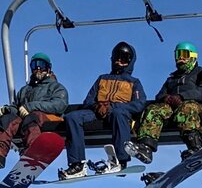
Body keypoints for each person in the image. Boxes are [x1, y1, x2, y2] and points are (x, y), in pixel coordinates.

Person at [58, 42, 147, 180]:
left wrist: (113, 107)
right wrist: (96, 107)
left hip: (119, 114)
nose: (118, 61)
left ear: (129, 61)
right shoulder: (102, 79)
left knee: (119, 114)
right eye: (116, 57)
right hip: (97, 113)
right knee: (72, 117)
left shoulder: (134, 82)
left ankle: (120, 160)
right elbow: (88, 101)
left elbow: (139, 104)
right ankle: (78, 165)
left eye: (123, 58)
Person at [127, 42, 202, 164]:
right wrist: (166, 98)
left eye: (184, 54)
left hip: (199, 108)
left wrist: (182, 96)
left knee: (186, 108)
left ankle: (195, 146)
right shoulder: (172, 78)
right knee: (154, 109)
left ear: (193, 56)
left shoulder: (201, 74)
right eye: (177, 54)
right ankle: (146, 147)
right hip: (174, 109)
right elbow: (159, 95)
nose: (180, 58)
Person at [0, 53, 70, 168]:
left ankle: (34, 151)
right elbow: (17, 107)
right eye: (35, 65)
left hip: (51, 119)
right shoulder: (25, 90)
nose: (38, 68)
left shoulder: (56, 87)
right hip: (28, 120)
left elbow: (60, 105)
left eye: (41, 65)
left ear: (48, 68)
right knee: (6, 118)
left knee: (32, 116)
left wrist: (31, 106)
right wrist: (7, 109)